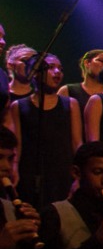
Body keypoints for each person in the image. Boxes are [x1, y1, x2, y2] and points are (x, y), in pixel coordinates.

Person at [5, 52, 82, 204]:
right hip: (30, 171)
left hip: (61, 171)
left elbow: (77, 143)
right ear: (35, 73)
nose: (57, 72)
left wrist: (80, 174)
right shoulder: (19, 106)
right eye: (51, 67)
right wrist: (14, 168)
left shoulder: (70, 104)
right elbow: (17, 145)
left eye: (60, 68)